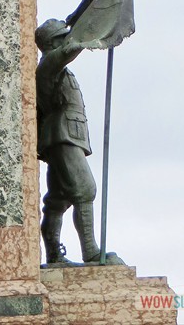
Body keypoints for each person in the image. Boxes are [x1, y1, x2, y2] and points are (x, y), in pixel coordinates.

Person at [35, 19, 121, 264]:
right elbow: (70, 50)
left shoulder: (57, 67)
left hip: (67, 136)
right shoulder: (50, 63)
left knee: (58, 200)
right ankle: (91, 252)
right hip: (62, 136)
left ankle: (53, 254)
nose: (67, 40)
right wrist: (91, 30)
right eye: (63, 37)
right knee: (85, 189)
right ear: (52, 43)